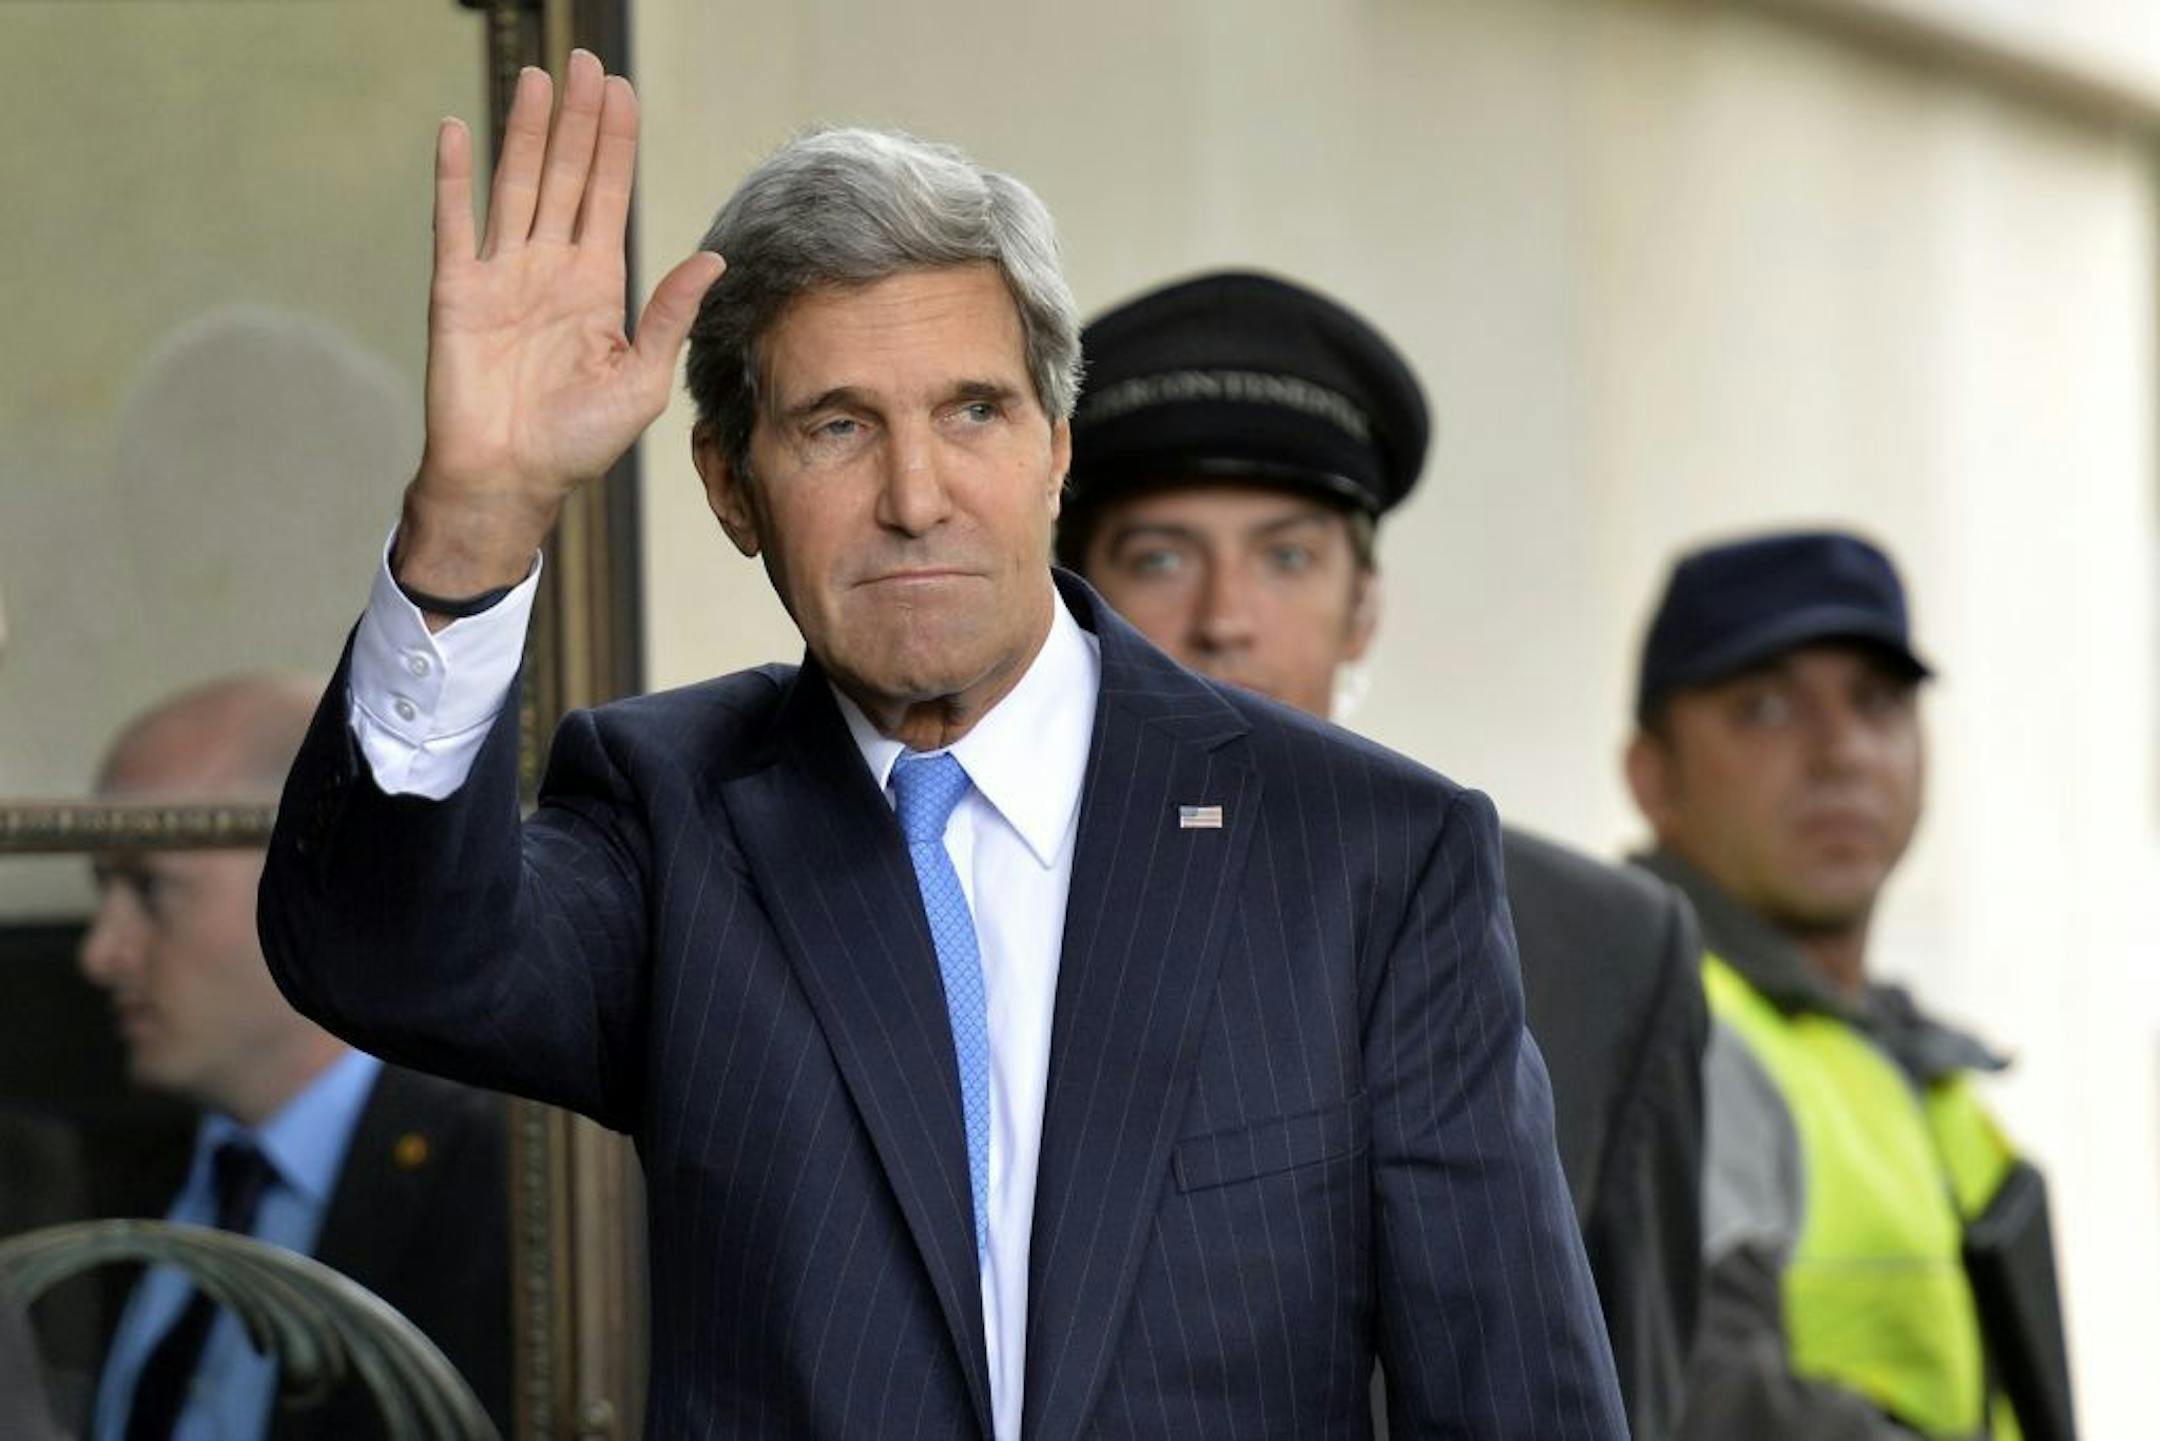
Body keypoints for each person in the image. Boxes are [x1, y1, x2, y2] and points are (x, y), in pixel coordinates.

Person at [257, 51, 1624, 1439]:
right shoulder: (675, 818)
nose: (917, 497)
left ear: (1055, 449)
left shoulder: (1367, 852)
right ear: (733, 487)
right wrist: (476, 522)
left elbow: (1517, 1397)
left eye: (973, 412)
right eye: (837, 427)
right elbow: (383, 959)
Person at [1058, 269, 1708, 1439]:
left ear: (1365, 606)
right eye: (1160, 556)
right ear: (1077, 597)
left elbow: (1629, 1388)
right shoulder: (966, 889)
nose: (1227, 617)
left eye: (1288, 557)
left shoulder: (1602, 947)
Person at [1625, 531, 2076, 1441]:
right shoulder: (1662, 1021)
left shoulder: (1909, 1064)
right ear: (1654, 775)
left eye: (1877, 703)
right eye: (1762, 709)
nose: (1841, 752)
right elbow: (1705, 1402)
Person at [80, 676, 511, 1440]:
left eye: (149, 888)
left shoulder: (500, 1181)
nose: (99, 952)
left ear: (316, 876)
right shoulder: (127, 1169)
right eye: (102, 889)